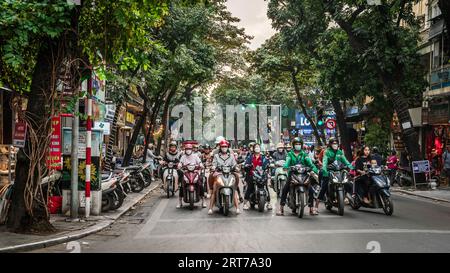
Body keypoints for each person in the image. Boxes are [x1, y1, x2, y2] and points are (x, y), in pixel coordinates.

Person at [276, 138, 319, 216]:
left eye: (299, 144)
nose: (298, 146)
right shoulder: (290, 154)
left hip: (304, 174)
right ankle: (281, 208)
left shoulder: (304, 154)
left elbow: (310, 164)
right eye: (296, 144)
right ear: (293, 145)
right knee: (285, 188)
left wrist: (314, 170)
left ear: (301, 145)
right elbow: (287, 162)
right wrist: (285, 167)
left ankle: (311, 209)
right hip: (292, 174)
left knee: (311, 190)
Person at [317, 138, 354, 210]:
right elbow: (324, 161)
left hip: (339, 171)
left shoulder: (340, 152)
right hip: (329, 171)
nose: (335, 145)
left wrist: (351, 167)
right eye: (333, 143)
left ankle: (347, 195)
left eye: (336, 143)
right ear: (330, 144)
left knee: (348, 183)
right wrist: (324, 169)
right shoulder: (327, 152)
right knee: (324, 186)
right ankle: (316, 204)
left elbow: (345, 161)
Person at [208, 140, 240, 215]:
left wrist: (236, 167)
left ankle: (237, 208)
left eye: (225, 146)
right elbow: (214, 164)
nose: (224, 148)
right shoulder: (216, 156)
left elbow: (234, 164)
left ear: (227, 147)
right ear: (220, 147)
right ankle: (210, 208)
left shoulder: (231, 156)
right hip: (219, 173)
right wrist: (213, 167)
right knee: (214, 188)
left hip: (230, 173)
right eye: (222, 146)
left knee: (234, 185)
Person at [243, 143, 272, 210]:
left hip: (261, 175)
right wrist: (247, 165)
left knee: (266, 187)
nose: (257, 148)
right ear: (253, 149)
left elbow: (267, 163)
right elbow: (246, 164)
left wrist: (268, 165)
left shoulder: (263, 157)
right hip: (251, 174)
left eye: (258, 147)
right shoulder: (250, 157)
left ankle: (268, 203)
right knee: (250, 187)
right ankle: (245, 203)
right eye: (256, 147)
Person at [177, 143, 205, 209]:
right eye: (187, 149)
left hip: (195, 172)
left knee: (200, 184)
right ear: (185, 150)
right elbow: (180, 163)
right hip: (186, 172)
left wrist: (201, 165)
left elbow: (199, 162)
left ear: (191, 149)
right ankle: (180, 201)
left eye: (189, 149)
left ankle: (203, 201)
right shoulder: (183, 156)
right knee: (182, 185)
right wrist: (179, 165)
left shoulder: (195, 156)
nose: (188, 150)